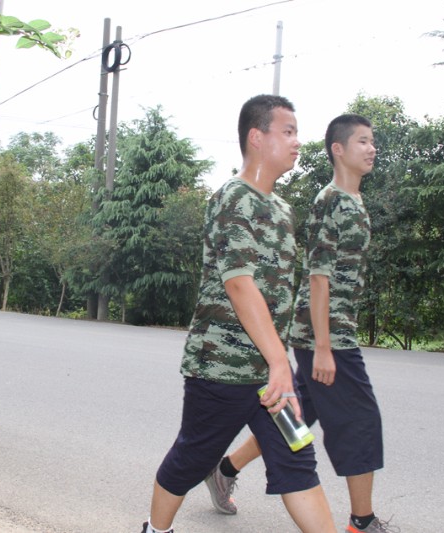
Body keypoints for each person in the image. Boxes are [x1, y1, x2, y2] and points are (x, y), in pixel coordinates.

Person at [140, 95, 335, 533]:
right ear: (256, 137)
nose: (297, 142)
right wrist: (280, 362)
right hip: (221, 366)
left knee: (297, 458)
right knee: (194, 456)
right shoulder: (234, 198)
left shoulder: (283, 209)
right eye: (287, 131)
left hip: (268, 376)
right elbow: (238, 283)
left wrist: (286, 357)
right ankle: (155, 530)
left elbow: (281, 291)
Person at [205, 114, 397, 533]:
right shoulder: (332, 201)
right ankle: (361, 522)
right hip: (326, 334)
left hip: (324, 332)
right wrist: (324, 348)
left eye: (373, 142)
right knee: (360, 422)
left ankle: (224, 468)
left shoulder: (354, 200)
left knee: (292, 418)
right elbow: (318, 277)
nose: (372, 149)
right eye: (363, 141)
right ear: (338, 150)